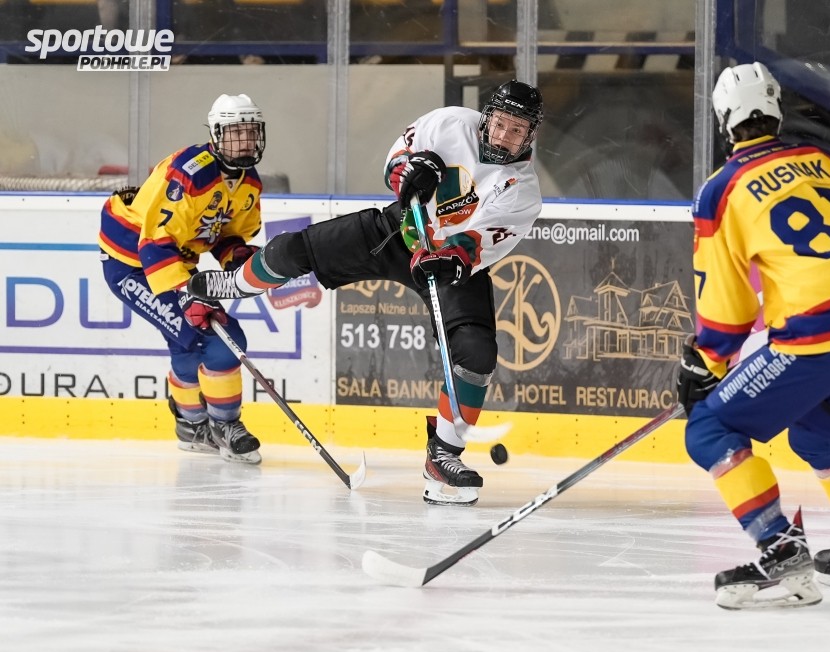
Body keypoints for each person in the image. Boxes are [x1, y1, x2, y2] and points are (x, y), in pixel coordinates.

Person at [188, 80, 545, 505]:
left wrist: (449, 257)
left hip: (448, 266)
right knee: (293, 249)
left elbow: (480, 242)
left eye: (516, 130)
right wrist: (408, 173)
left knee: (475, 351)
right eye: (500, 124)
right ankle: (234, 284)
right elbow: (397, 158)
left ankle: (443, 457)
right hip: (398, 230)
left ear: (530, 135)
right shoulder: (450, 123)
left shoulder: (522, 190)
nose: (504, 137)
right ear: (487, 118)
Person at [678, 62, 830, 610]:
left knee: (709, 428)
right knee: (816, 434)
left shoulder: (722, 189)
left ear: (723, 120)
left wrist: (706, 361)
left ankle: (781, 552)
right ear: (776, 110)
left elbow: (726, 304)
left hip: (820, 331)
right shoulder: (824, 161)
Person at [98, 93, 267, 465]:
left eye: (251, 132)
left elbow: (221, 233)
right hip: (132, 263)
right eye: (236, 133)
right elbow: (154, 242)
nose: (245, 141)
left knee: (188, 342)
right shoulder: (190, 173)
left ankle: (191, 426)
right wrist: (187, 293)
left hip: (172, 260)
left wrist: (236, 256)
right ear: (217, 134)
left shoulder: (249, 183)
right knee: (217, 336)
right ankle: (225, 425)